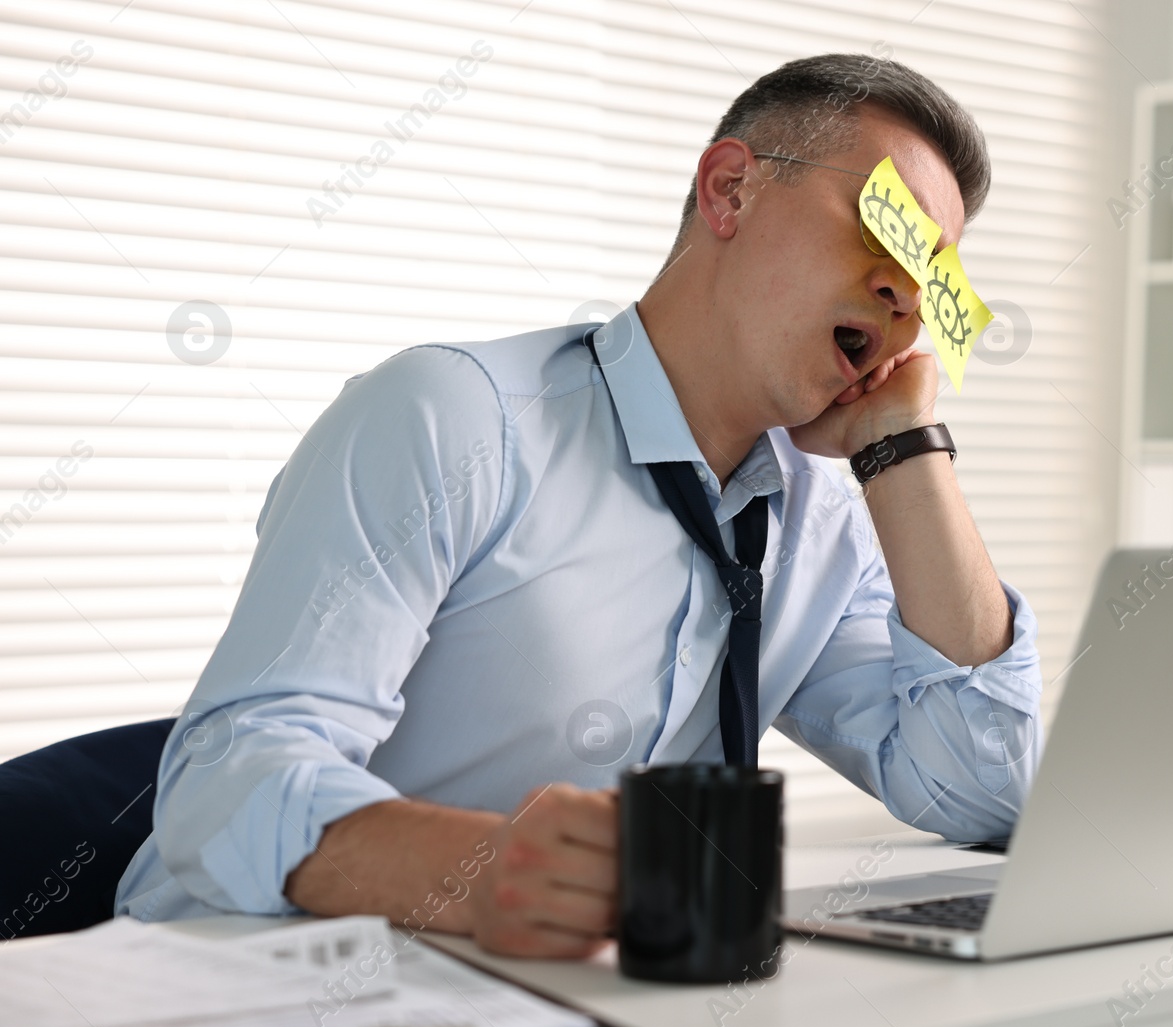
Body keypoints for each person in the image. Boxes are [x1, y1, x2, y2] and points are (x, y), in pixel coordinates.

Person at [114, 53, 1042, 958]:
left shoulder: (821, 529)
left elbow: (981, 788)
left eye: (937, 275)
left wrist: (903, 447)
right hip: (243, 986)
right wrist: (478, 870)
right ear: (730, 190)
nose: (904, 293)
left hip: (555, 1006)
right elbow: (224, 783)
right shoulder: (452, 419)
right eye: (887, 228)